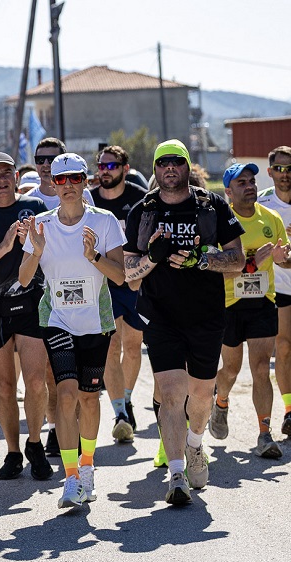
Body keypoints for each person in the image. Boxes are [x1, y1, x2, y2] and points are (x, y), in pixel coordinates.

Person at [122, 139, 245, 505]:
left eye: (177, 162)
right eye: (163, 163)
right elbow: (130, 274)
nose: (170, 168)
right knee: (172, 393)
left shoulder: (212, 206)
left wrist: (203, 260)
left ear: (188, 167)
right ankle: (177, 474)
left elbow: (238, 260)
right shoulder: (142, 212)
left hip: (206, 316)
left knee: (202, 396)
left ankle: (194, 444)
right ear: (156, 169)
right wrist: (154, 258)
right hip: (162, 317)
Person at [18, 153, 126, 508]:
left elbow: (122, 276)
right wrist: (35, 251)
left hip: (95, 322)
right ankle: (70, 477)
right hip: (58, 320)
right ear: (51, 183)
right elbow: (22, 278)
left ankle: (88, 465)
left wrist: (94, 256)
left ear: (85, 181)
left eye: (74, 179)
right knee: (64, 395)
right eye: (60, 180)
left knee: (88, 397)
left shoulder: (105, 221)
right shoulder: (41, 225)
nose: (67, 186)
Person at [0, 152, 52, 481]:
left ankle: (34, 442)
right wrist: (7, 246)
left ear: (17, 177)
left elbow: (52, 253)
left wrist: (35, 245)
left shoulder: (34, 209)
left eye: (7, 172)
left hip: (29, 300)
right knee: (5, 387)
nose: (2, 178)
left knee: (35, 381)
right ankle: (12, 452)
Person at [212, 163, 288, 459]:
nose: (250, 185)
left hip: (263, 302)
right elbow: (218, 271)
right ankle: (221, 401)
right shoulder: (221, 223)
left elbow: (284, 258)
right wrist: (255, 260)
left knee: (259, 369)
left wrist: (283, 258)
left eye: (252, 180)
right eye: (241, 182)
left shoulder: (271, 218)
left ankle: (264, 434)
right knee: (230, 370)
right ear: (228, 191)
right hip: (230, 304)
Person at [91, 146, 148, 440]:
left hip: (135, 281)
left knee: (133, 344)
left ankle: (126, 397)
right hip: (103, 282)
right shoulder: (90, 198)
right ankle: (119, 414)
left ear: (125, 168)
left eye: (112, 166)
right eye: (101, 165)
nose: (105, 170)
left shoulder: (140, 197)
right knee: (112, 346)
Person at [257, 146, 291, 435]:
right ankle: (289, 411)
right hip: (277, 287)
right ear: (270, 172)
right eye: (279, 169)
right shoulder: (261, 204)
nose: (285, 175)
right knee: (284, 347)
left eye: (289, 169)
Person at [27, 138, 94, 210]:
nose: (45, 164)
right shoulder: (28, 199)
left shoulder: (82, 193)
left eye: (51, 160)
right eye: (40, 160)